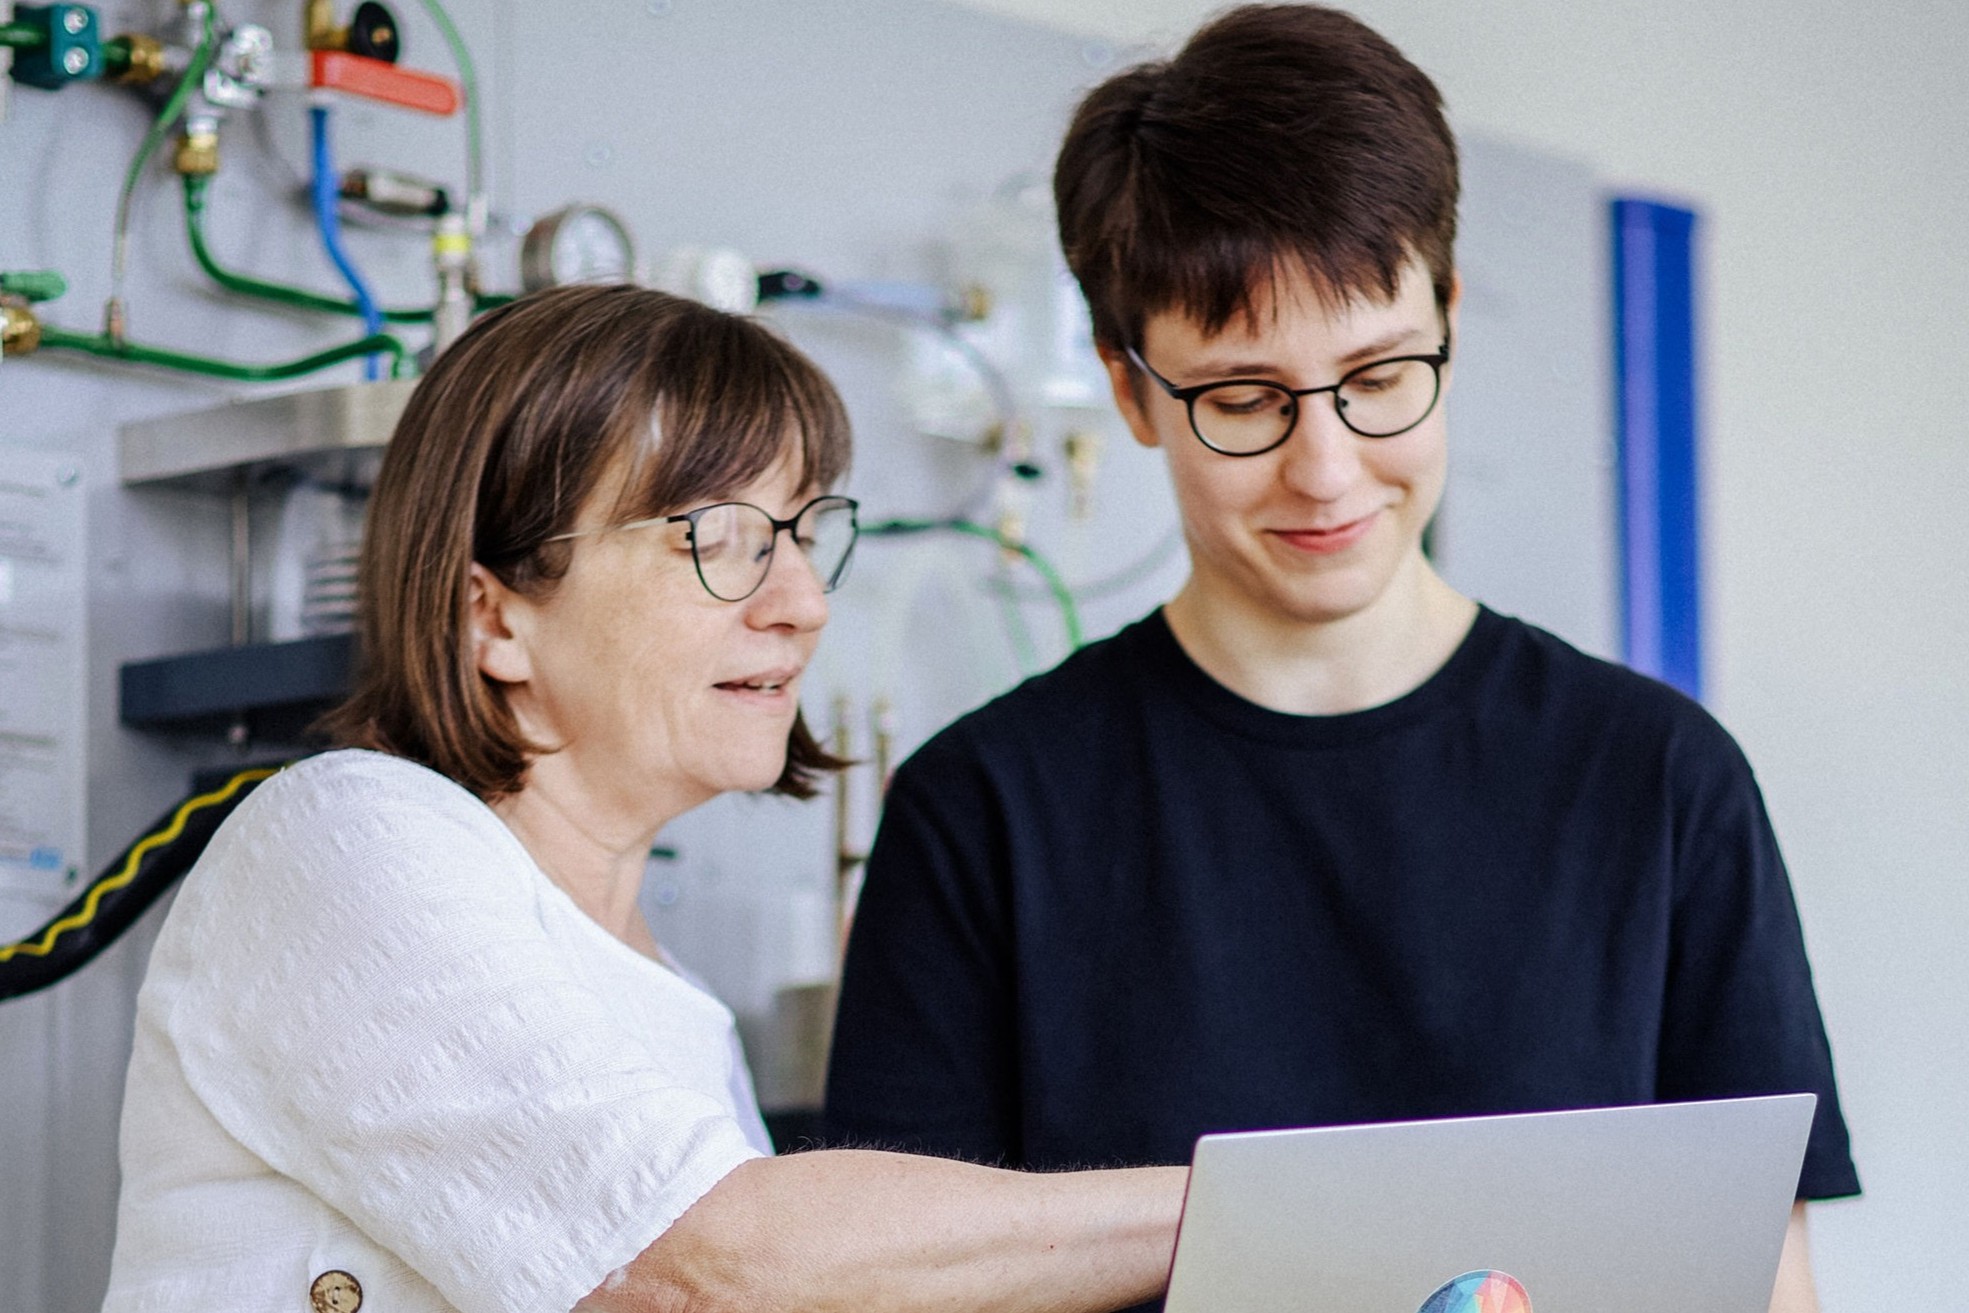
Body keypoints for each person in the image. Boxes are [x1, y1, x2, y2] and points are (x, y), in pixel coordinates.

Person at [824, 7, 1858, 1312]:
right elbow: (882, 1284)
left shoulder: (1658, 782)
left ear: (1452, 319)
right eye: (1243, 399)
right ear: (1131, 390)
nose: (1325, 469)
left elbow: (1763, 1281)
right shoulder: (983, 814)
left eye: (1377, 375)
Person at [100, 284, 1186, 1313]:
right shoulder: (343, 836)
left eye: (804, 534)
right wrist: (1231, 1205)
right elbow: (709, 1268)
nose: (801, 601)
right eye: (718, 539)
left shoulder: (677, 1015)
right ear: (495, 616)